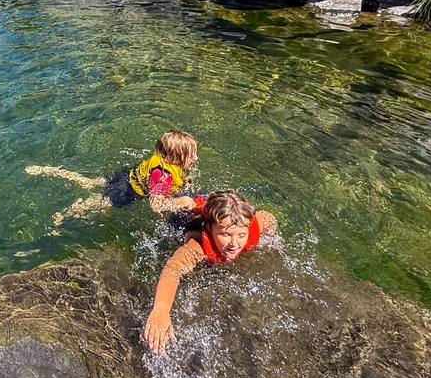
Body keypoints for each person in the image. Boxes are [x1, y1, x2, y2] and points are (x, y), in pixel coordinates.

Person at [143, 190, 277, 354]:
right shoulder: (197, 244)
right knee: (176, 207)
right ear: (210, 229)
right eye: (225, 235)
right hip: (184, 218)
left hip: (214, 207)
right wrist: (161, 310)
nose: (234, 243)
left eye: (241, 235)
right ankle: (175, 200)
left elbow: (269, 219)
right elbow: (173, 269)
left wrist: (272, 242)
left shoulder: (250, 225)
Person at [25, 130, 205, 225]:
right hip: (126, 191)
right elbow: (156, 204)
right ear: (174, 158)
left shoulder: (163, 160)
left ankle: (52, 171)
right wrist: (181, 202)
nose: (195, 158)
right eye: (191, 156)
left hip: (128, 175)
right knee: (98, 203)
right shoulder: (164, 176)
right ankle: (62, 216)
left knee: (91, 183)